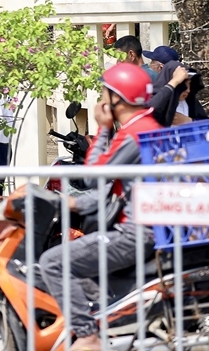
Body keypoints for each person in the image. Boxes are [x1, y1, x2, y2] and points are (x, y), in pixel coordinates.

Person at [37, 63, 185, 351]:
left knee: (52, 263)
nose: (101, 101)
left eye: (105, 94)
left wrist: (102, 128)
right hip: (140, 224)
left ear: (117, 98)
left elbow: (93, 176)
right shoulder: (141, 126)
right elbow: (111, 190)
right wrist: (70, 202)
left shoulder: (134, 132)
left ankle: (88, 336)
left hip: (135, 231)